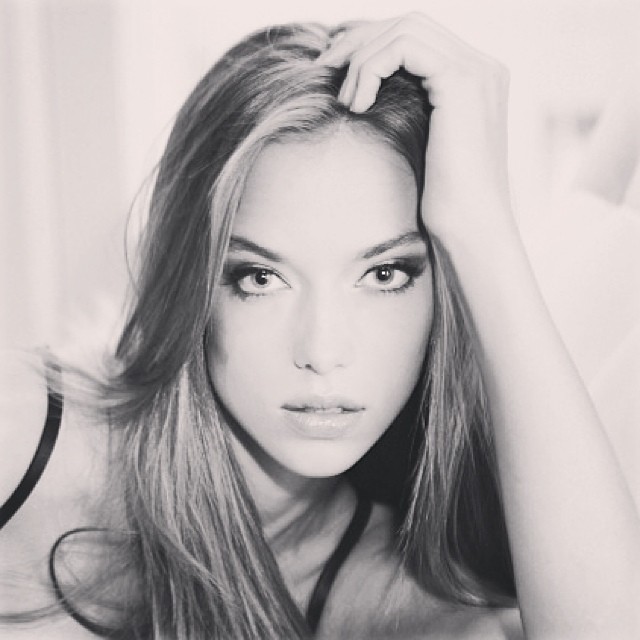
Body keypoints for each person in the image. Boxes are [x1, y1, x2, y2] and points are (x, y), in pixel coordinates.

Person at [1, 13, 638, 639]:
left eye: (384, 274)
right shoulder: (26, 438)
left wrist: (485, 232)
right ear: (192, 286)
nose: (322, 351)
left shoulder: (415, 605)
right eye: (260, 278)